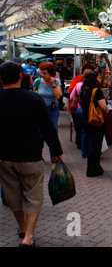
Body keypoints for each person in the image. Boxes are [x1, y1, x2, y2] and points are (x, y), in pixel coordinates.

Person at [0, 61, 63, 247]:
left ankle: (21, 227)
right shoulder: (33, 99)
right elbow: (47, 128)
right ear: (21, 76)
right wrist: (56, 151)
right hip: (31, 155)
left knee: (13, 196)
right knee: (33, 195)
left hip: (5, 157)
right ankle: (28, 237)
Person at [79, 70, 108, 177]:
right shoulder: (97, 91)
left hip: (86, 119)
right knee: (96, 146)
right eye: (99, 77)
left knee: (92, 144)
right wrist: (106, 109)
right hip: (96, 121)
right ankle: (93, 169)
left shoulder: (84, 89)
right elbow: (103, 107)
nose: (100, 79)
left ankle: (93, 167)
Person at [68, 65, 93, 149]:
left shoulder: (79, 84)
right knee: (81, 128)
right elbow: (70, 90)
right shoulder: (79, 80)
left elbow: (71, 96)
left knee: (80, 128)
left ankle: (80, 144)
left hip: (77, 108)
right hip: (79, 108)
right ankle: (81, 144)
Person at [33, 61, 62, 133]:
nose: (42, 75)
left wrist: (53, 84)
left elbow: (58, 96)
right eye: (41, 73)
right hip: (40, 109)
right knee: (40, 133)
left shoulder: (56, 81)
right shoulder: (38, 81)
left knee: (53, 131)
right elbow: (34, 95)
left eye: (45, 73)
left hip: (52, 108)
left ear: (51, 73)